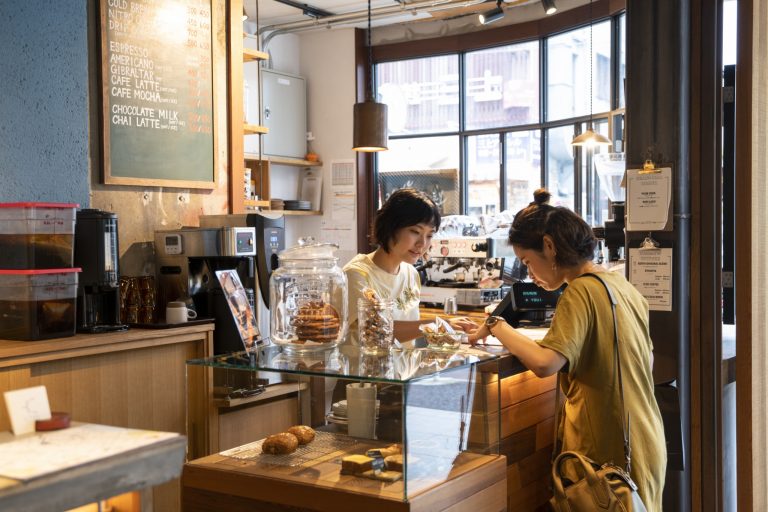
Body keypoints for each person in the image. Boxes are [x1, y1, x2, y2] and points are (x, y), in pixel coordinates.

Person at [468, 188, 666, 510]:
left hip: (608, 449)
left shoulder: (580, 291)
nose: (529, 274)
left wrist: (496, 325)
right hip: (645, 437)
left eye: (527, 262)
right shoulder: (622, 286)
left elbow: (546, 363)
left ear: (549, 246)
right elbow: (648, 359)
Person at [344, 188, 477, 344]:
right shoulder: (356, 275)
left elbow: (409, 333)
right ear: (390, 227)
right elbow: (377, 332)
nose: (422, 244)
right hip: (363, 367)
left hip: (404, 368)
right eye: (415, 231)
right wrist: (437, 323)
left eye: (429, 235)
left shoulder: (410, 273)